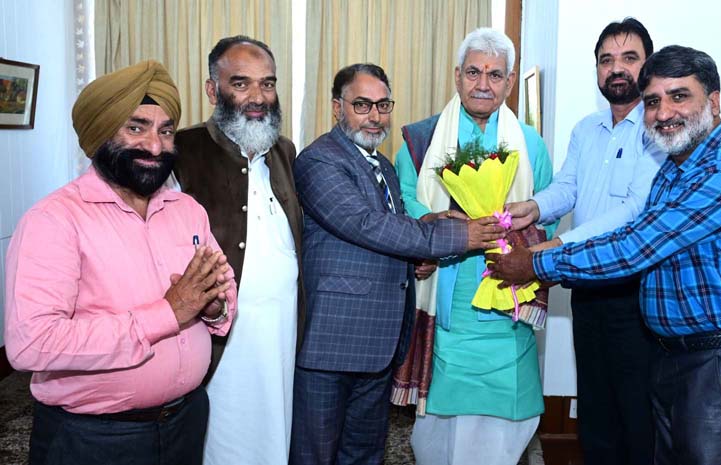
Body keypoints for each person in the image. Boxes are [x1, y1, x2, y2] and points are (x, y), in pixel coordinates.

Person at [491, 45, 721, 465]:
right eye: (653, 101)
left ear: (714, 102)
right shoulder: (674, 170)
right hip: (672, 356)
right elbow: (633, 233)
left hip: (720, 363)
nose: (664, 113)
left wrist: (536, 263)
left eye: (679, 96)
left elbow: (635, 247)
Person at [4, 60, 237, 465]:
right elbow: (32, 344)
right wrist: (168, 312)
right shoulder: (54, 220)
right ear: (101, 134)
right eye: (136, 128)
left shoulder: (187, 210)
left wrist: (214, 307)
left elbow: (223, 286)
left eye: (166, 131)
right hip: (94, 438)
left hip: (186, 421)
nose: (155, 146)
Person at [290, 63, 504, 465]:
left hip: (378, 343)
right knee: (315, 454)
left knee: (365, 453)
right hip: (332, 344)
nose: (375, 116)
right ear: (337, 107)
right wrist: (459, 236)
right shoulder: (320, 160)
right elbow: (365, 225)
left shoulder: (383, 165)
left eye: (383, 105)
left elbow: (393, 227)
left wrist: (427, 232)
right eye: (362, 105)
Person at [392, 28, 555, 465]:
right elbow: (405, 203)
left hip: (507, 303)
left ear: (510, 81)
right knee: (440, 429)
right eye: (473, 72)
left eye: (495, 75)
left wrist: (509, 232)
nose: (483, 84)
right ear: (456, 76)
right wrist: (442, 227)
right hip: (444, 300)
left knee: (504, 424)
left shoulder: (531, 144)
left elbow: (547, 213)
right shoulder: (420, 141)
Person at [504, 18, 664, 464]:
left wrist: (561, 246)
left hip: (635, 292)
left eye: (629, 58)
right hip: (588, 288)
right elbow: (567, 188)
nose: (617, 68)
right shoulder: (585, 129)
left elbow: (634, 210)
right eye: (606, 60)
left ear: (648, 65)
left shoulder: (658, 131)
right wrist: (531, 208)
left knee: (636, 411)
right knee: (594, 406)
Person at [173, 35, 302, 465]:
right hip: (220, 339)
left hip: (281, 329)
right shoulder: (182, 151)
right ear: (213, 91)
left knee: (275, 433)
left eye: (268, 83)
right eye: (241, 83)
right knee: (224, 439)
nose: (258, 97)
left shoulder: (284, 150)